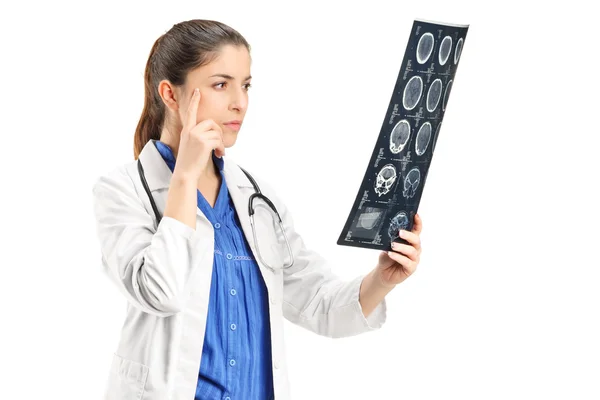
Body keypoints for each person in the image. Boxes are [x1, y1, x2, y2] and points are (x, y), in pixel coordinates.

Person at [91, 18, 423, 400]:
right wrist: (184, 178)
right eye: (221, 84)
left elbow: (319, 305)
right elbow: (159, 292)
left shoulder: (256, 199)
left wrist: (384, 278)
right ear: (170, 94)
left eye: (246, 85)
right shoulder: (122, 191)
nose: (240, 103)